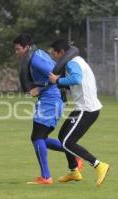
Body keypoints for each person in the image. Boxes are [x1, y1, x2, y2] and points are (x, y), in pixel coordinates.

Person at [49, 38, 110, 187]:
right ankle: (74, 171)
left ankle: (99, 165)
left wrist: (57, 81)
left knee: (66, 142)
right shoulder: (77, 60)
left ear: (62, 52)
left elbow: (77, 79)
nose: (53, 57)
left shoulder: (71, 63)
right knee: (62, 135)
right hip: (83, 108)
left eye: (54, 54)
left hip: (87, 109)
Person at [13, 33, 64, 185]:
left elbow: (55, 76)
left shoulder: (36, 59)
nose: (16, 52)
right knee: (40, 138)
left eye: (18, 49)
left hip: (51, 100)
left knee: (37, 137)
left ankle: (46, 177)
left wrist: (39, 89)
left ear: (27, 47)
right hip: (48, 100)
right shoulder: (36, 54)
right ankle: (73, 152)